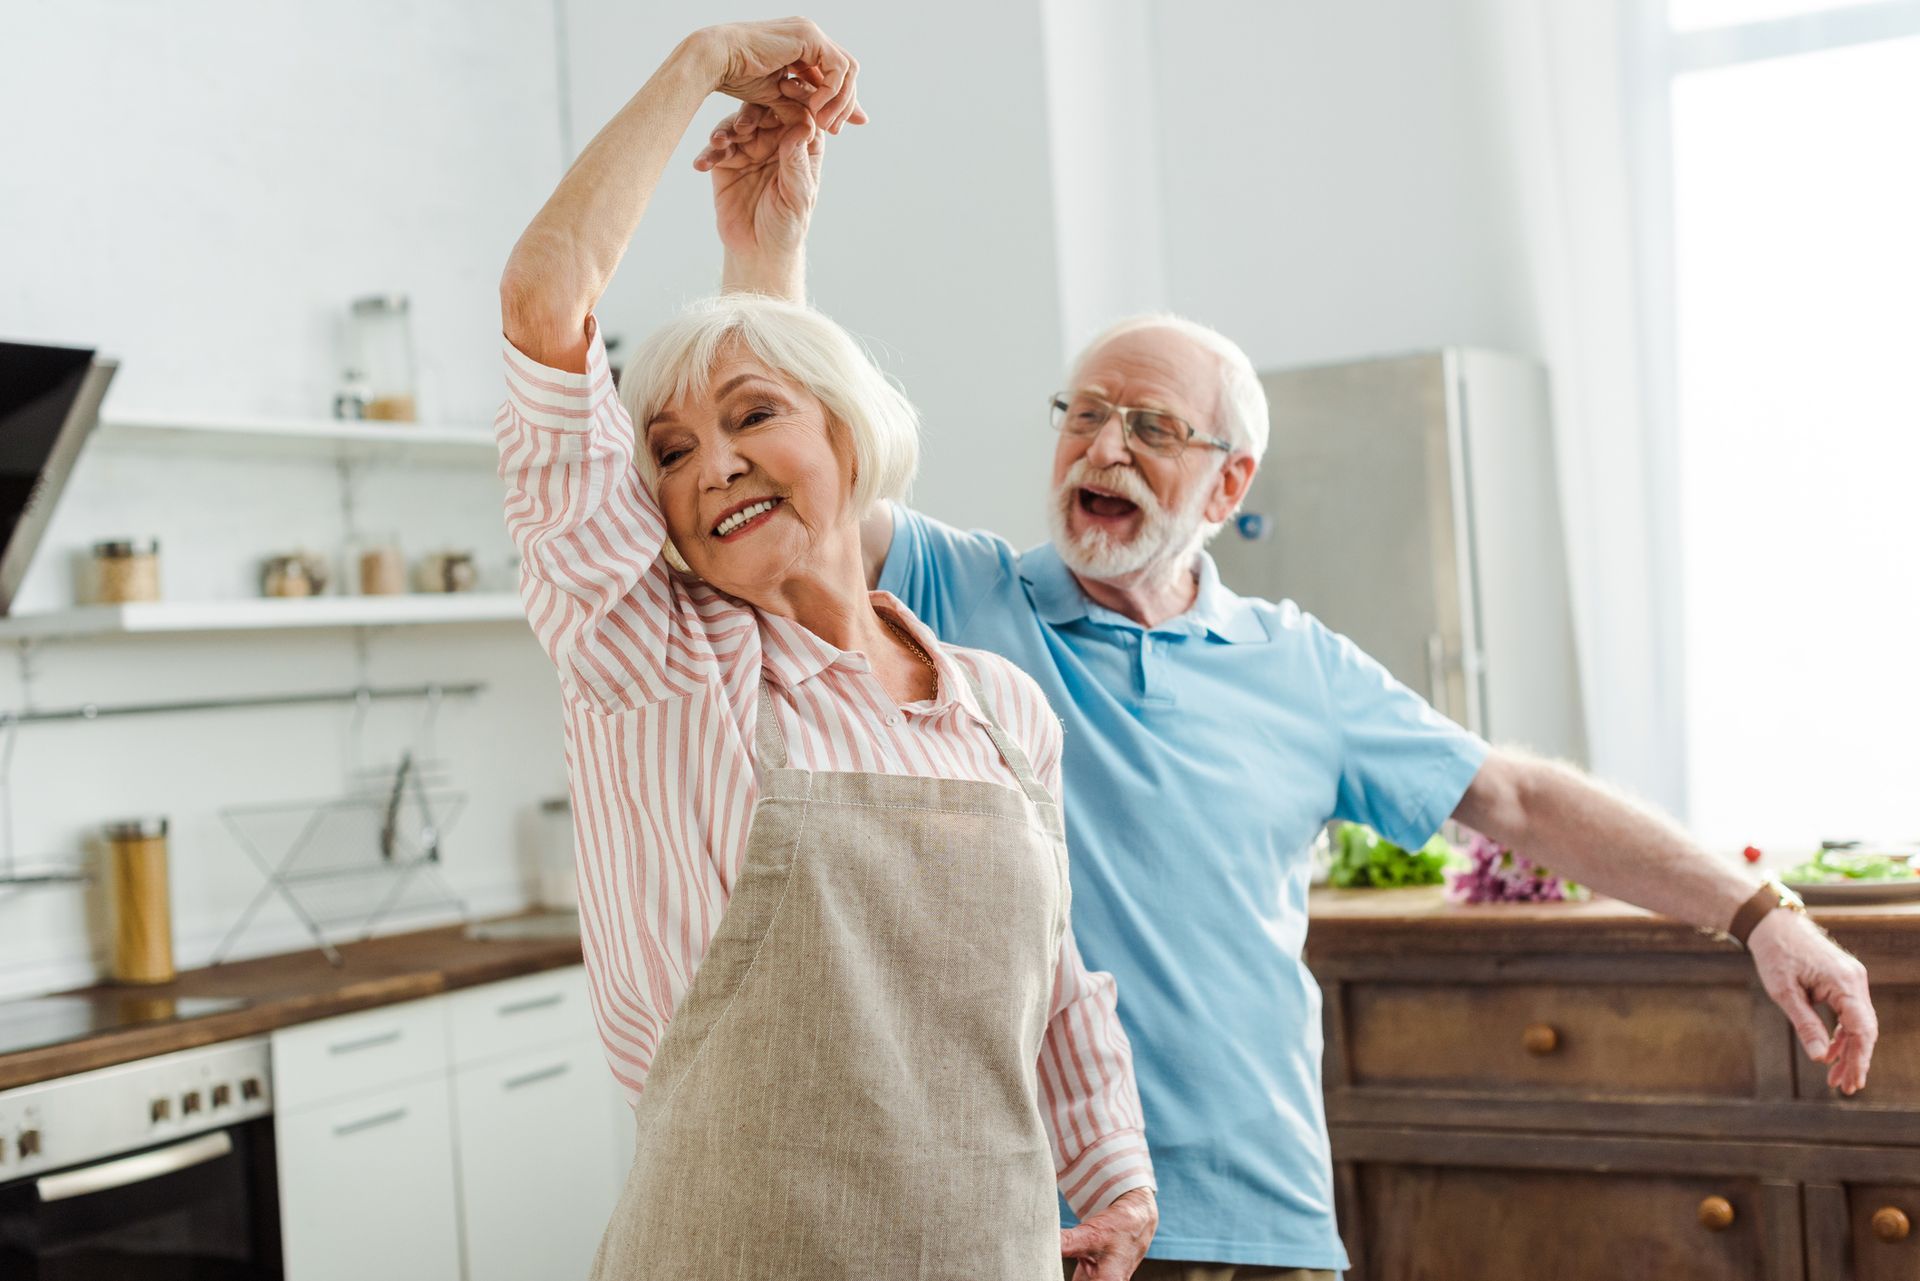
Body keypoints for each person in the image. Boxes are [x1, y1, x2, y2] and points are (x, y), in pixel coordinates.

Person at [695, 97, 1881, 1281]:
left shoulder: (1296, 662)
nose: (1104, 449)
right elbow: (802, 480)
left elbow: (1515, 799)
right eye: (1086, 415)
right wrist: (766, 249)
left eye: (1152, 427)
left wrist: (1761, 914)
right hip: (1026, 1220)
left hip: (1266, 1223)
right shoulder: (960, 596)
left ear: (1227, 485)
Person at [496, 20, 1158, 1280]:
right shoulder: (661, 666)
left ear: (853, 440)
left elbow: (1056, 987)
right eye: (671, 455)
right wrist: (700, 65)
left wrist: (1117, 1181)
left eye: (753, 420)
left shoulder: (1002, 711)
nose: (715, 464)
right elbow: (545, 302)